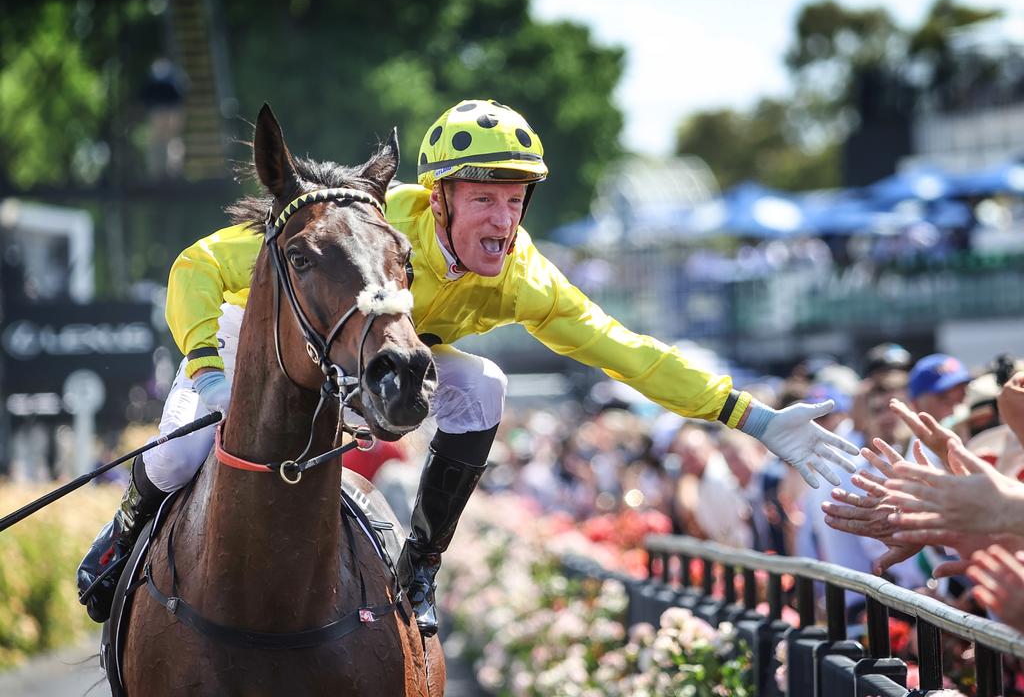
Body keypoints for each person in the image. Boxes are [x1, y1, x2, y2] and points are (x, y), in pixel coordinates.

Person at [78, 99, 858, 633]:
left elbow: (631, 352)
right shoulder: (368, 228)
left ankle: (421, 563)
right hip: (265, 337)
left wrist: (749, 416)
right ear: (441, 198)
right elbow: (194, 265)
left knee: (485, 384)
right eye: (484, 198)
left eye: (516, 199)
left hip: (383, 358)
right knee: (185, 444)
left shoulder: (527, 278)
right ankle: (122, 535)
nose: (504, 220)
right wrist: (207, 367)